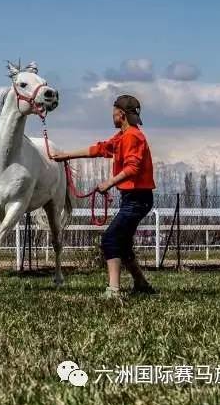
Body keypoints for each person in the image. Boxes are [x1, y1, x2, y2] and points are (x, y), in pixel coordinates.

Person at [52, 95, 157, 301]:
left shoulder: (132, 137)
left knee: (110, 239)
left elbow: (132, 168)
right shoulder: (122, 137)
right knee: (123, 244)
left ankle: (113, 290)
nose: (112, 115)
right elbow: (98, 149)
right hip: (133, 198)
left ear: (122, 114)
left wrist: (109, 183)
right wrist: (67, 156)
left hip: (138, 198)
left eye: (114, 112)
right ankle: (141, 284)